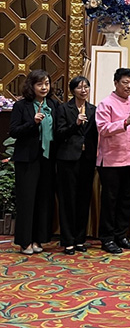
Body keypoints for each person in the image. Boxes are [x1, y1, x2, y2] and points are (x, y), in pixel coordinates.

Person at [9, 69, 58, 255]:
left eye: (46, 83)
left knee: (43, 200)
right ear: (32, 86)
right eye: (40, 84)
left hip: (47, 159)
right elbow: (14, 131)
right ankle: (25, 241)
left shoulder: (53, 105)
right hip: (27, 159)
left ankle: (39, 238)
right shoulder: (21, 106)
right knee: (27, 200)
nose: (44, 87)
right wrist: (33, 123)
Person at [95, 68, 130, 254]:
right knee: (110, 201)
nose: (129, 86)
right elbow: (103, 129)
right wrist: (124, 122)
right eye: (125, 82)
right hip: (111, 161)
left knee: (126, 200)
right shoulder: (106, 104)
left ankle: (121, 235)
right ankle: (107, 238)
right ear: (115, 83)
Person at [55, 76, 97, 255]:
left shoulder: (93, 109)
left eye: (86, 87)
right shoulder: (64, 108)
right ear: (73, 90)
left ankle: (80, 239)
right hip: (68, 159)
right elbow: (59, 133)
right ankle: (68, 240)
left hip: (87, 159)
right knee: (67, 200)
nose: (84, 90)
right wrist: (76, 124)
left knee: (83, 199)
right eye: (79, 87)